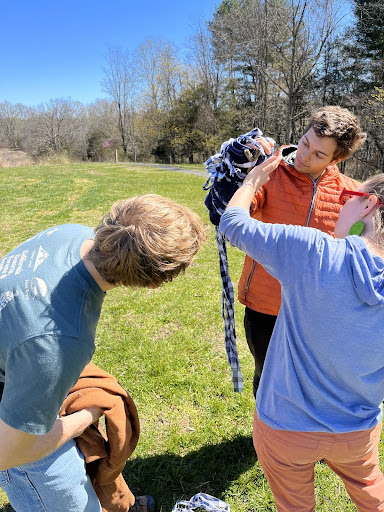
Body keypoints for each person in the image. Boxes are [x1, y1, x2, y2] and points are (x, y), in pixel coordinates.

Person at [0, 194, 206, 512]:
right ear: (154, 285)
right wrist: (87, 416)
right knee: (69, 501)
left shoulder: (72, 234)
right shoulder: (59, 343)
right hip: (10, 418)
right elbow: (9, 452)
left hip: (19, 355)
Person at [219, 154, 384, 511]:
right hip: (358, 431)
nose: (340, 209)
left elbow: (231, 223)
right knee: (373, 497)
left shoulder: (312, 251)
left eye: (347, 199)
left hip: (284, 427)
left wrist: (253, 180)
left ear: (368, 205)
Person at [238, 106, 366, 397]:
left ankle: (295, 437)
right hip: (264, 305)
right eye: (306, 143)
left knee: (307, 381)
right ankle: (264, 437)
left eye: (319, 155)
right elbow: (238, 212)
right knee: (266, 375)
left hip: (316, 311)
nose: (305, 156)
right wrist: (240, 177)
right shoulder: (268, 171)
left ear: (338, 158)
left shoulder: (351, 194)